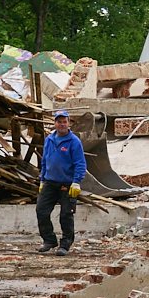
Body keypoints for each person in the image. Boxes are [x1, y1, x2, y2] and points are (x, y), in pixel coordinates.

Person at [36, 109, 86, 256]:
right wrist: (42, 180)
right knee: (41, 210)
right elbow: (44, 160)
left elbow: (80, 163)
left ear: (69, 123)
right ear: (55, 123)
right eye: (59, 121)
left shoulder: (74, 142)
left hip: (67, 183)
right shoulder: (49, 140)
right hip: (50, 182)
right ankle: (49, 240)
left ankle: (64, 245)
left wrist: (76, 182)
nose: (62, 124)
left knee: (66, 215)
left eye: (65, 122)